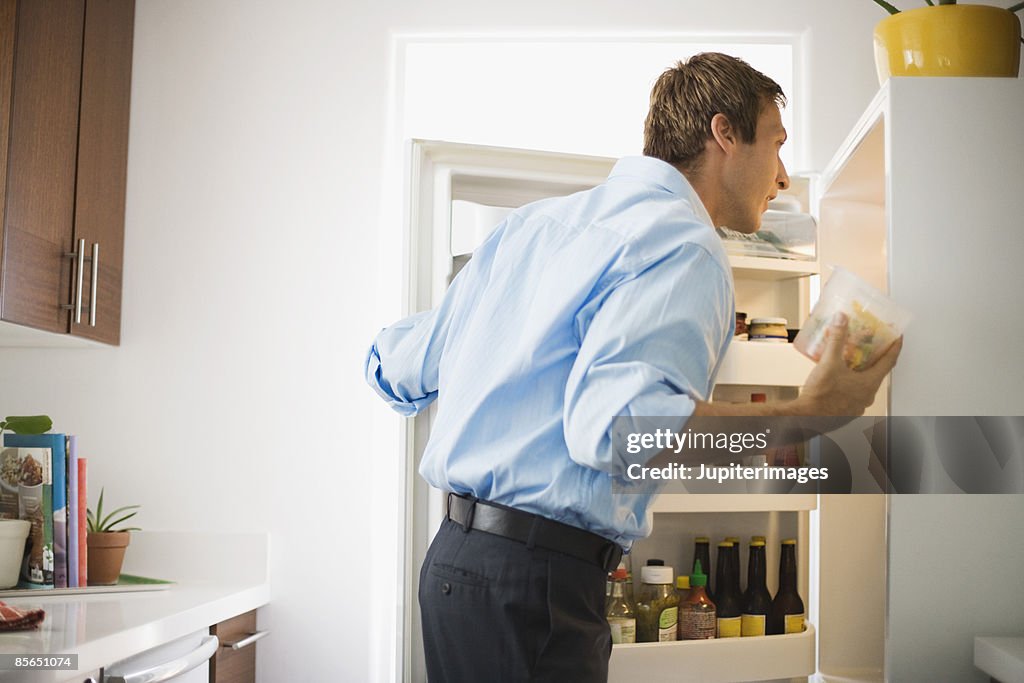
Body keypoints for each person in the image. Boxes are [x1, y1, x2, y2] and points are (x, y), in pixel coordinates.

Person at [364, 52, 901, 682]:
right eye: (777, 145)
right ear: (724, 134)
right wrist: (810, 414)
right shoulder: (682, 243)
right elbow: (619, 433)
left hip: (456, 568)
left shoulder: (533, 227)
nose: (783, 177)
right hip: (535, 584)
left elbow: (396, 365)